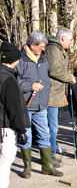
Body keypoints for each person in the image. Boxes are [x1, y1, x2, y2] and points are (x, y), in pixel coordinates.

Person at [15, 31, 63, 178]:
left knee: (45, 135)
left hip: (42, 106)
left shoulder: (43, 59)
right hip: (26, 106)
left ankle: (47, 166)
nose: (43, 49)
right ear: (32, 45)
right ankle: (27, 167)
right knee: (26, 136)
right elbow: (14, 83)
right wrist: (31, 86)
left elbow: (47, 77)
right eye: (41, 46)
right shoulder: (20, 61)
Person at [0, 41, 30, 188]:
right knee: (5, 159)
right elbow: (14, 107)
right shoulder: (9, 80)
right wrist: (21, 129)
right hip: (6, 126)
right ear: (14, 60)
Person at [44, 27, 76, 162]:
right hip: (50, 94)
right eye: (70, 40)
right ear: (63, 38)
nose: (71, 43)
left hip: (56, 93)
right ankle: (50, 154)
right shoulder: (53, 50)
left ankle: (53, 147)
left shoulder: (59, 50)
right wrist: (69, 77)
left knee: (53, 125)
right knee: (52, 126)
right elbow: (54, 70)